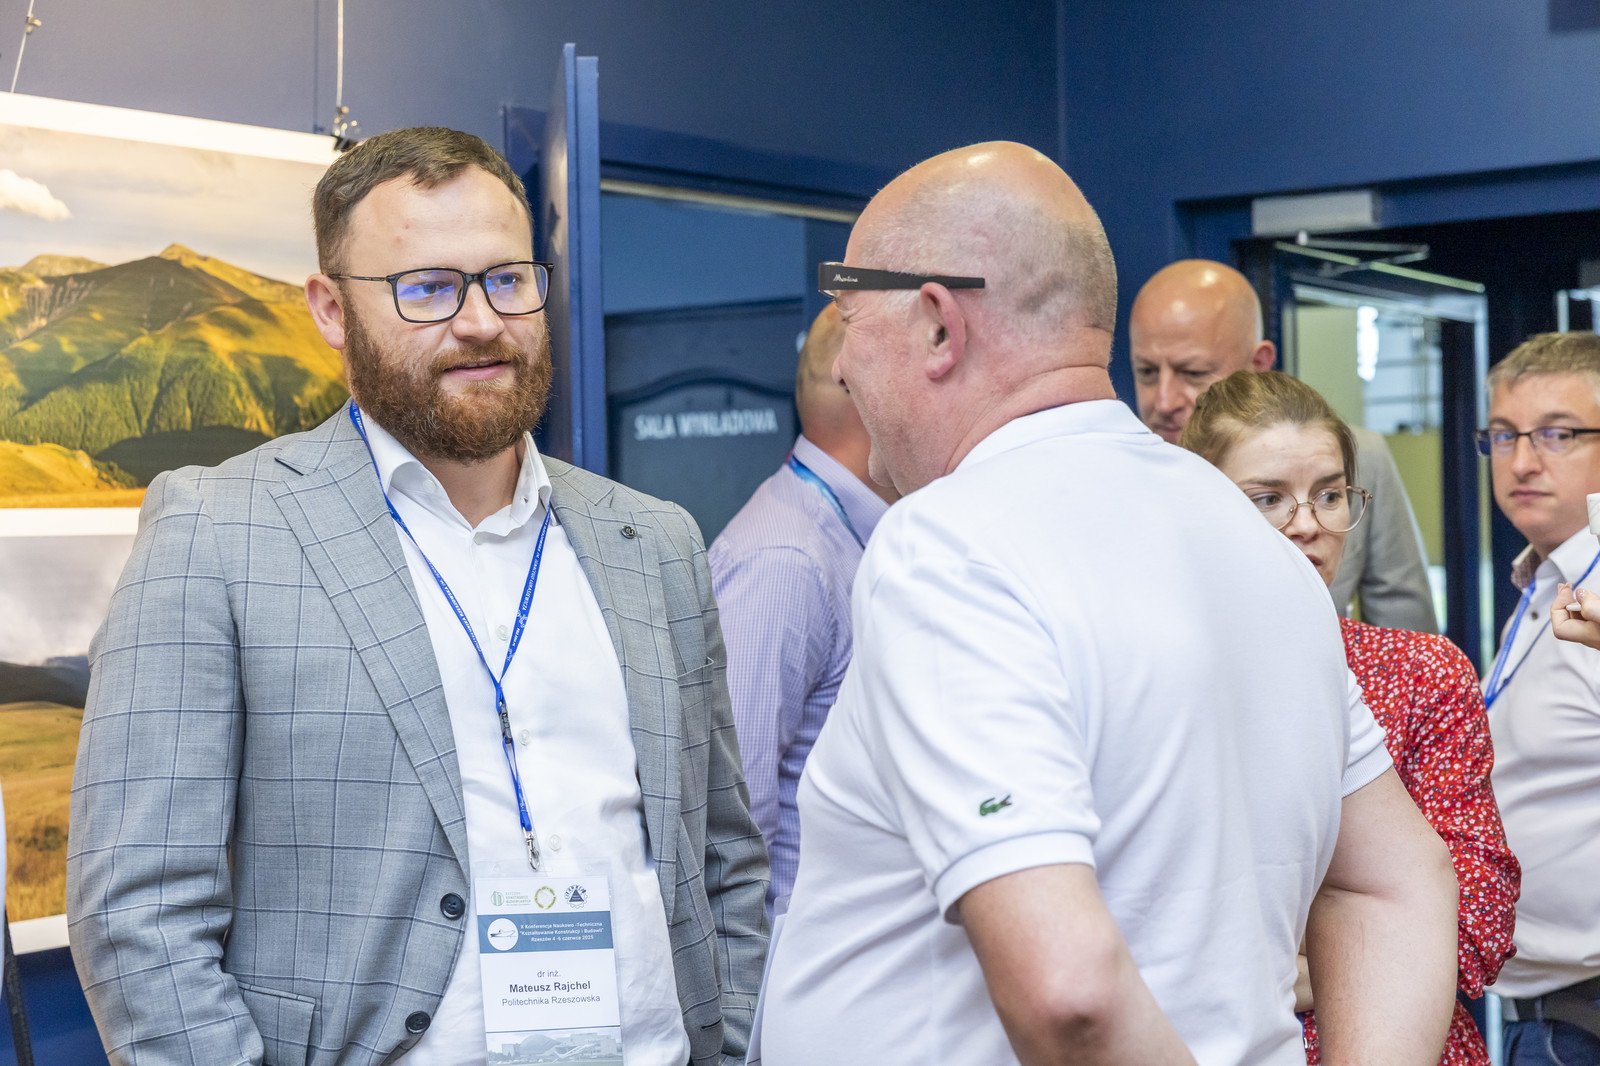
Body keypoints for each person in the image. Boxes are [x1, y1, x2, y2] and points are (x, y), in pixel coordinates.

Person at [67, 127, 767, 1066]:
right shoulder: (218, 532)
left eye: (506, 279)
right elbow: (138, 915)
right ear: (331, 309)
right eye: (427, 288)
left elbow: (725, 857)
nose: (480, 322)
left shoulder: (655, 542)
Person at [758, 141, 1460, 1066]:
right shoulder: (1249, 535)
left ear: (937, 326)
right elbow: (1397, 883)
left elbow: (1071, 994)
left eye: (850, 318)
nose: (842, 369)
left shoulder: (950, 543)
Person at [1181, 369, 1520, 1066]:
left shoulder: (1420, 673)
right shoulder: (1155, 676)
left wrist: (1290, 970)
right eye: (1268, 499)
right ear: (1196, 506)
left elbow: (1478, 920)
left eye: (1330, 495)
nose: (1308, 524)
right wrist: (1372, 938)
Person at [1129, 259, 1438, 632]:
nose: (1163, 401)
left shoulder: (1359, 458)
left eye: (1193, 373)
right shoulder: (1113, 480)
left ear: (1259, 362)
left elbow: (1406, 635)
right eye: (1146, 372)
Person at [709, 304, 897, 913]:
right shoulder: (785, 560)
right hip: (797, 960)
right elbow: (731, 832)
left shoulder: (850, 539)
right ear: (860, 385)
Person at [1476, 331, 1600, 1065]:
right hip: (1549, 1018)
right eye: (1503, 435)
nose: (1522, 462)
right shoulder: (1542, 585)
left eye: (1556, 434)